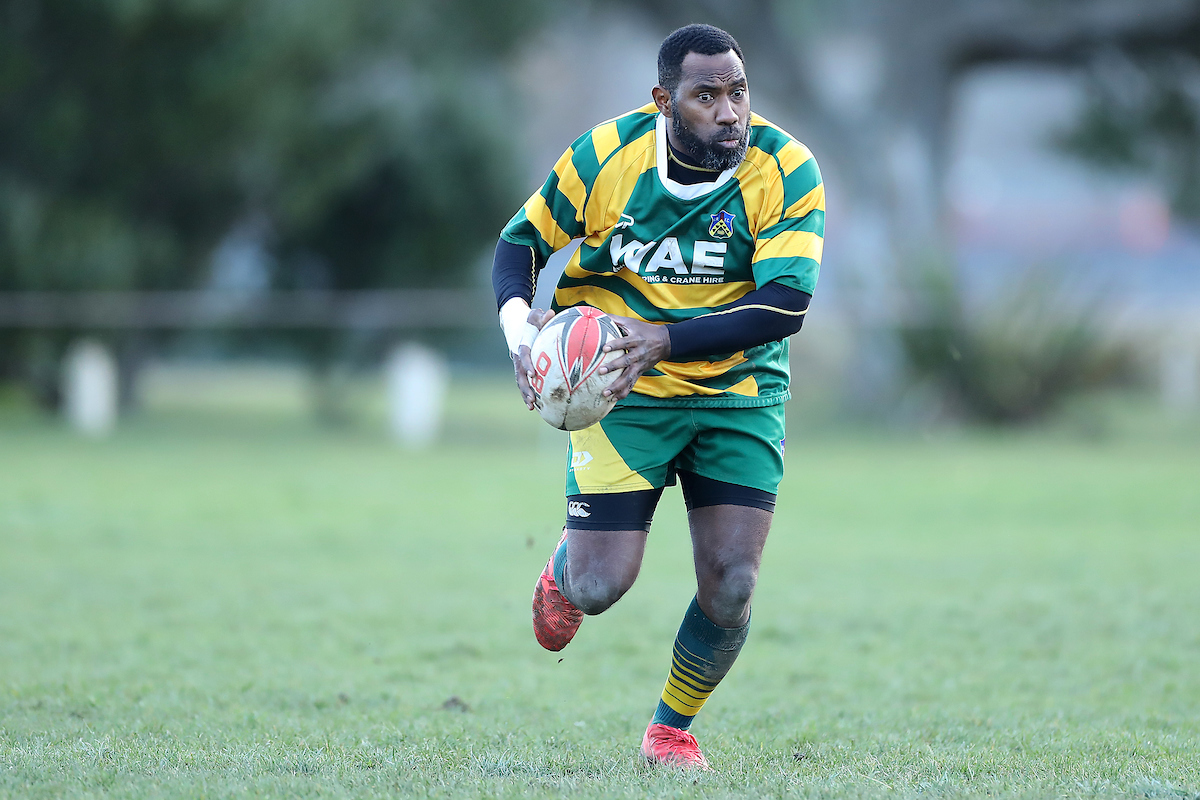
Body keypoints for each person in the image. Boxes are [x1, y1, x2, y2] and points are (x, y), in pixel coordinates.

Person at [491, 23, 824, 769]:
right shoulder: (607, 155)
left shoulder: (785, 168)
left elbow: (785, 303)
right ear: (663, 101)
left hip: (739, 392)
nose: (729, 112)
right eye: (706, 96)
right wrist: (523, 337)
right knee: (602, 586)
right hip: (621, 393)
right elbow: (520, 243)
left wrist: (665, 340)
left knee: (733, 584)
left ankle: (670, 728)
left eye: (737, 92)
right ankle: (565, 572)